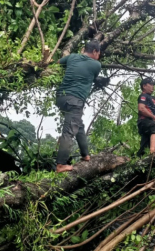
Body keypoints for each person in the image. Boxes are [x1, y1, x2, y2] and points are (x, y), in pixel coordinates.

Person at [55, 40, 102, 173]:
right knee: (69, 130)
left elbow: (58, 64)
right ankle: (60, 164)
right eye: (98, 53)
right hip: (75, 100)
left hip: (61, 97)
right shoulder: (96, 65)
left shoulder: (72, 57)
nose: (98, 56)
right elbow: (92, 77)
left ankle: (85, 154)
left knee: (78, 125)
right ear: (94, 51)